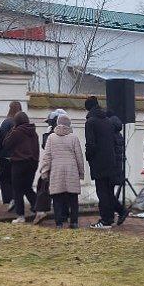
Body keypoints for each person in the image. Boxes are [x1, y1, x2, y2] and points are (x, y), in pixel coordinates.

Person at [38, 114, 85, 229]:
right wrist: (81, 172)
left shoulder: (51, 138)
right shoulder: (73, 138)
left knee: (57, 198)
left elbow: (47, 156)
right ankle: (73, 222)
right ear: (69, 125)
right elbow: (79, 157)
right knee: (73, 198)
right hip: (71, 170)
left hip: (56, 170)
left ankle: (59, 223)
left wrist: (44, 171)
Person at [84, 96, 125, 229]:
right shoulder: (107, 120)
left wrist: (88, 156)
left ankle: (106, 220)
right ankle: (112, 216)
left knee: (102, 192)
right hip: (111, 161)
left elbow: (91, 144)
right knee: (108, 192)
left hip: (99, 162)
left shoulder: (91, 122)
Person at [2, 111, 39, 223]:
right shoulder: (33, 132)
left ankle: (21, 215)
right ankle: (39, 208)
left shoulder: (16, 132)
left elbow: (6, 144)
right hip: (32, 162)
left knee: (17, 189)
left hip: (19, 163)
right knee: (28, 187)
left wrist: (12, 130)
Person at [31, 110, 65, 225]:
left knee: (45, 187)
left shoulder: (54, 133)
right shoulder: (66, 131)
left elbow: (47, 148)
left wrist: (47, 134)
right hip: (59, 165)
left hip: (54, 165)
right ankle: (61, 214)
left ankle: (42, 211)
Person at [0, 101, 22, 212]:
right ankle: (15, 199)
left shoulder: (7, 122)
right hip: (19, 156)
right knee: (14, 180)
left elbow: (0, 138)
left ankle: (10, 199)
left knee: (3, 178)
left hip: (6, 156)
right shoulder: (21, 123)